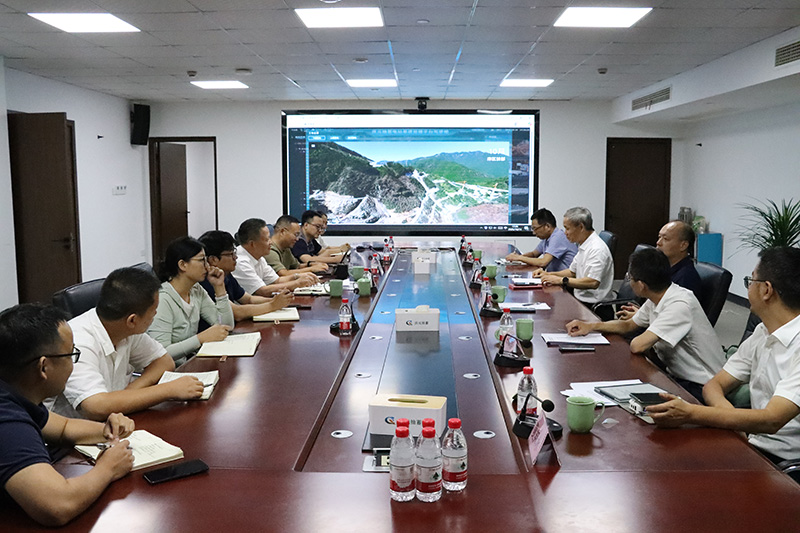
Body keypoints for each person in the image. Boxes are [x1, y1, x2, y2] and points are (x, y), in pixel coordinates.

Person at [647, 247, 800, 463]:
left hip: (785, 463)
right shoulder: (763, 331)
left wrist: (691, 413)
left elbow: (772, 419)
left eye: (751, 281)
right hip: (753, 443)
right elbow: (714, 385)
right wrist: (732, 421)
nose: (748, 287)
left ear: (766, 290)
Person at [0, 303, 134, 527]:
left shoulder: (16, 391)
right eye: (71, 355)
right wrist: (108, 468)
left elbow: (62, 428)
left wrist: (106, 430)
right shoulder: (7, 421)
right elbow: (57, 505)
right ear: (44, 367)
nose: (73, 364)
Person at [566, 248, 725, 400]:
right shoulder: (658, 297)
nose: (629, 280)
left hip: (702, 385)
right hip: (676, 375)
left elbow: (638, 345)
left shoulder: (680, 305)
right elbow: (628, 325)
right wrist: (590, 326)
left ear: (642, 285)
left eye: (630, 277)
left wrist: (646, 333)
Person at [47, 268, 205, 420]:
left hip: (116, 421)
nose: (156, 314)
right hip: (74, 433)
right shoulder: (78, 343)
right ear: (132, 320)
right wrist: (167, 390)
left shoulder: (123, 328)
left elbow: (164, 362)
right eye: (153, 310)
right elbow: (96, 407)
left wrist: (129, 393)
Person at [147, 236, 234, 366]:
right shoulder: (163, 299)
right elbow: (161, 353)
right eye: (201, 260)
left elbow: (226, 326)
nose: (207, 266)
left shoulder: (196, 290)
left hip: (189, 363)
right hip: (170, 370)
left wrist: (219, 287)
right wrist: (200, 339)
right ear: (182, 265)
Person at [534, 207, 614, 319]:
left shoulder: (597, 249)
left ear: (581, 227)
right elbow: (572, 272)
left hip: (595, 309)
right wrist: (548, 274)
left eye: (567, 228)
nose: (565, 233)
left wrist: (561, 280)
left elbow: (592, 282)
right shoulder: (584, 245)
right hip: (581, 301)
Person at [199, 230, 294, 320]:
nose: (235, 257)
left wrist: (277, 300)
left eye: (234, 253)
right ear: (213, 260)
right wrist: (272, 305)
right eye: (231, 254)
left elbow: (249, 299)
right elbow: (236, 312)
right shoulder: (207, 281)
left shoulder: (226, 274)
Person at [618, 220, 703, 320]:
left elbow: (675, 316)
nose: (658, 243)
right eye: (659, 237)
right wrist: (642, 313)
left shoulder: (686, 278)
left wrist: (643, 317)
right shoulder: (662, 267)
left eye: (665, 239)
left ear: (683, 245)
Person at [231, 218, 317, 297]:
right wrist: (297, 283)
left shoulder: (259, 258)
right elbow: (262, 291)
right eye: (267, 239)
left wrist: (298, 276)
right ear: (252, 244)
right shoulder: (240, 262)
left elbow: (277, 281)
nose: (271, 242)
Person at [504, 208, 577, 271]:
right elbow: (534, 254)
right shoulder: (547, 238)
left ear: (547, 226)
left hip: (565, 280)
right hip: (554, 277)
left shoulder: (558, 237)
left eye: (535, 229)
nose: (534, 233)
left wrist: (519, 258)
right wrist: (516, 257)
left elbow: (543, 262)